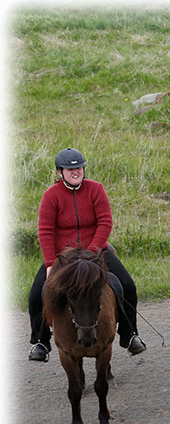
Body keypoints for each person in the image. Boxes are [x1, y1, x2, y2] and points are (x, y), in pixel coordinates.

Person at [27, 148, 146, 361]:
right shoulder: (50, 195)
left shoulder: (96, 189)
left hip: (96, 252)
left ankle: (129, 335)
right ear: (60, 171)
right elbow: (45, 230)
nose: (76, 171)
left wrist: (93, 251)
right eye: (70, 169)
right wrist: (50, 264)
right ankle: (40, 341)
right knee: (37, 295)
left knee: (127, 286)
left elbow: (105, 222)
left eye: (79, 167)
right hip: (63, 256)